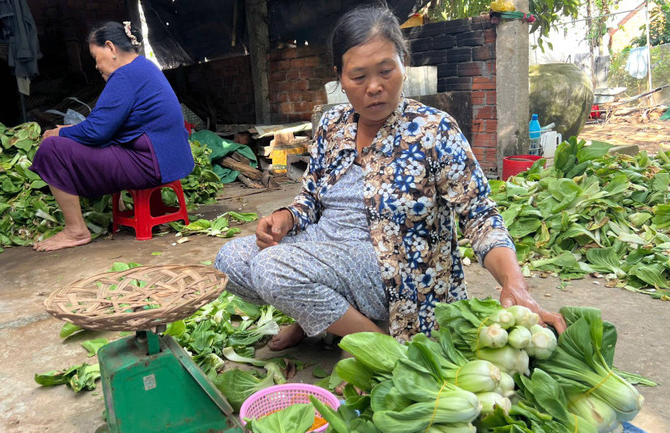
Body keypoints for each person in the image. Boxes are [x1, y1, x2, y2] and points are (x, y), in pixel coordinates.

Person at [214, 5, 565, 350]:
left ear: (404, 64)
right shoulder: (333, 125)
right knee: (229, 258)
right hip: (324, 247)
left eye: (386, 70)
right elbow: (311, 198)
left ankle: (381, 348)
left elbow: (480, 215)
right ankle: (312, 318)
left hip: (392, 268)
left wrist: (514, 282)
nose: (374, 87)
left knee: (274, 269)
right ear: (340, 77)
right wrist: (287, 217)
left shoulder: (433, 130)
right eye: (359, 77)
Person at [30, 21, 194, 251]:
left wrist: (60, 131)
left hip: (150, 164)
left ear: (111, 48)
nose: (97, 66)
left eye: (96, 57)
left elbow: (97, 131)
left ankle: (75, 231)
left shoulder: (125, 75)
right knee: (74, 143)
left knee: (51, 149)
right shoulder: (144, 67)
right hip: (170, 161)